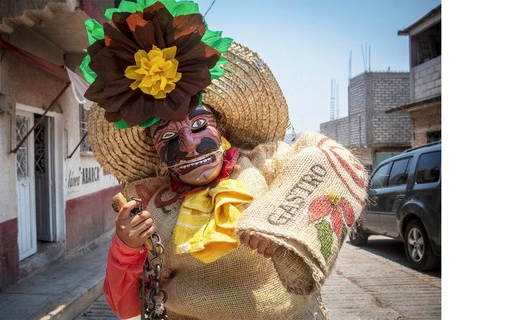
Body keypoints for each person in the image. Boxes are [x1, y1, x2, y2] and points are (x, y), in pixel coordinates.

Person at [80, 1, 367, 319]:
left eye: (199, 125)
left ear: (223, 127)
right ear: (155, 153)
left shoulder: (267, 164)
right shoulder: (148, 208)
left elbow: (327, 159)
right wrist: (126, 246)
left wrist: (281, 225)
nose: (189, 145)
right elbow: (126, 305)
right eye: (169, 138)